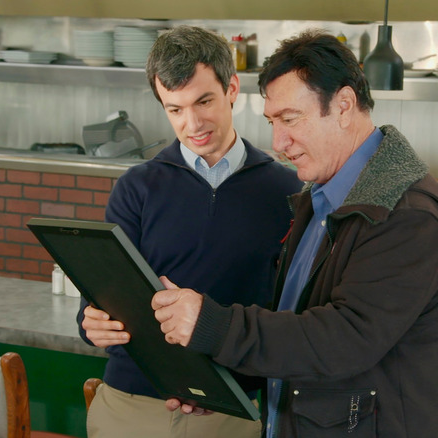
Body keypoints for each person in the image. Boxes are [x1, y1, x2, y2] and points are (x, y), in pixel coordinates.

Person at [152, 30, 438, 438]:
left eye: (290, 119)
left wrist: (212, 326)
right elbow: (295, 331)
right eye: (272, 122)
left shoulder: (409, 215)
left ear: (344, 105)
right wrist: (219, 381)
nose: (278, 142)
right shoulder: (318, 200)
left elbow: (344, 339)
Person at [77, 25, 302, 438]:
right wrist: (91, 321)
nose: (192, 123)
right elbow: (101, 296)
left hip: (231, 410)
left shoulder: (288, 192)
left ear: (232, 88)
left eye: (204, 101)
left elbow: (290, 316)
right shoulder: (136, 186)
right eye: (175, 109)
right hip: (130, 405)